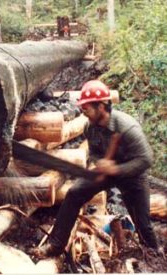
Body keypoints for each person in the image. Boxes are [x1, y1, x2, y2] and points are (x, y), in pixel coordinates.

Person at [40, 79, 159, 256]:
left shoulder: (128, 127)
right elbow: (94, 152)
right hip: (107, 172)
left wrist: (117, 170)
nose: (83, 111)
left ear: (101, 106)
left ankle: (153, 254)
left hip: (133, 174)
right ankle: (55, 245)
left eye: (86, 107)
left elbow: (146, 159)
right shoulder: (90, 127)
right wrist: (100, 163)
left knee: (143, 224)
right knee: (75, 192)